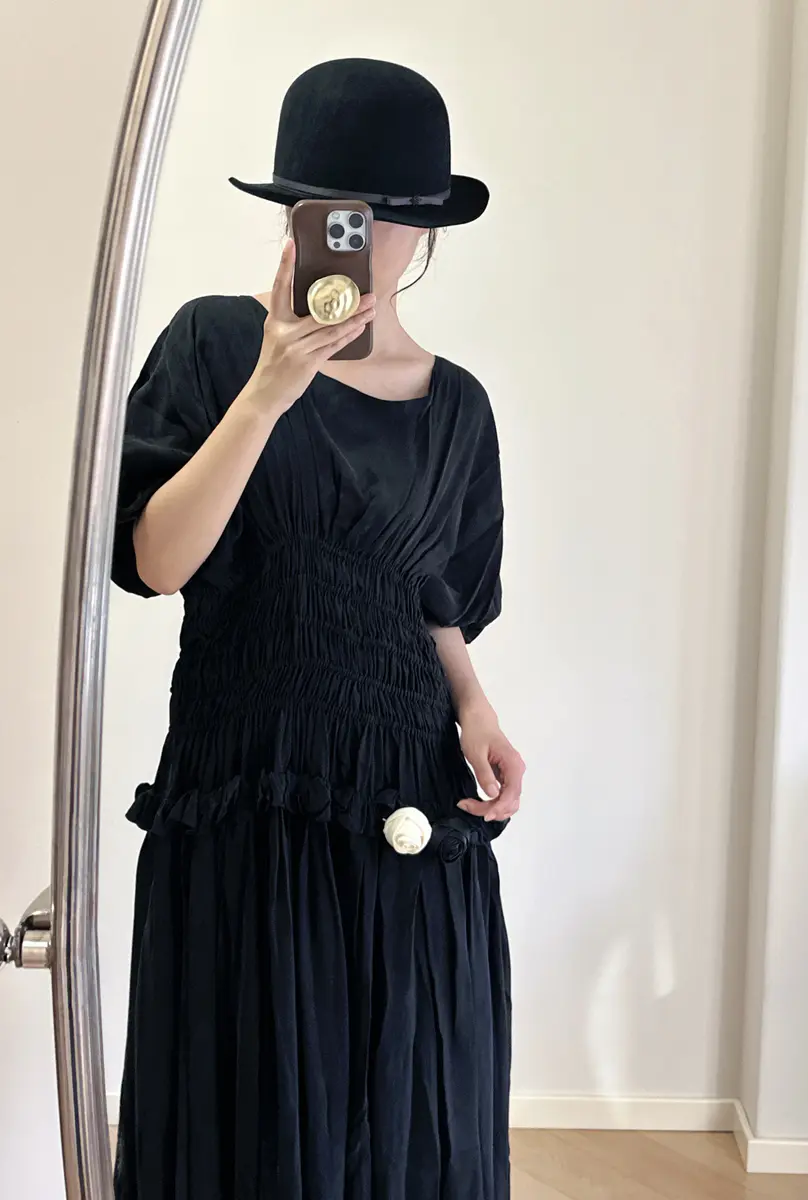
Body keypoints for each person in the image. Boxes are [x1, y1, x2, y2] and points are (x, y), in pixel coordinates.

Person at [111, 58, 524, 1200]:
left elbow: (435, 598)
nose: (369, 240)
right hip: (253, 789)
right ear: (298, 219)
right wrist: (267, 392)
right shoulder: (211, 346)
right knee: (251, 1117)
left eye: (393, 217)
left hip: (409, 795)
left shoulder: (460, 408)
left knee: (407, 1117)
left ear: (428, 229)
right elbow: (155, 560)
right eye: (343, 214)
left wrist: (477, 707)